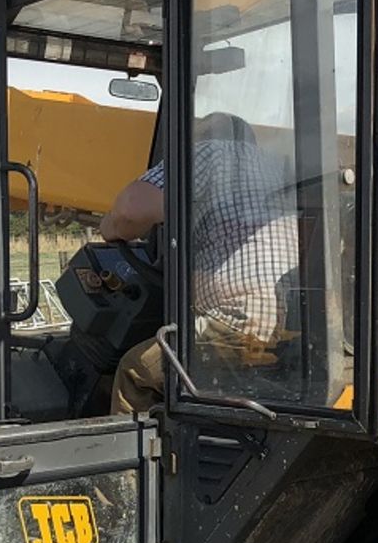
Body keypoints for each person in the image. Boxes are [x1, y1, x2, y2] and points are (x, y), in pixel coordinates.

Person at [103, 111, 299, 413]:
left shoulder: (206, 154)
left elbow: (131, 211)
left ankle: (133, 460)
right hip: (291, 324)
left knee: (136, 371)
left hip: (239, 324)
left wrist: (112, 227)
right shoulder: (278, 166)